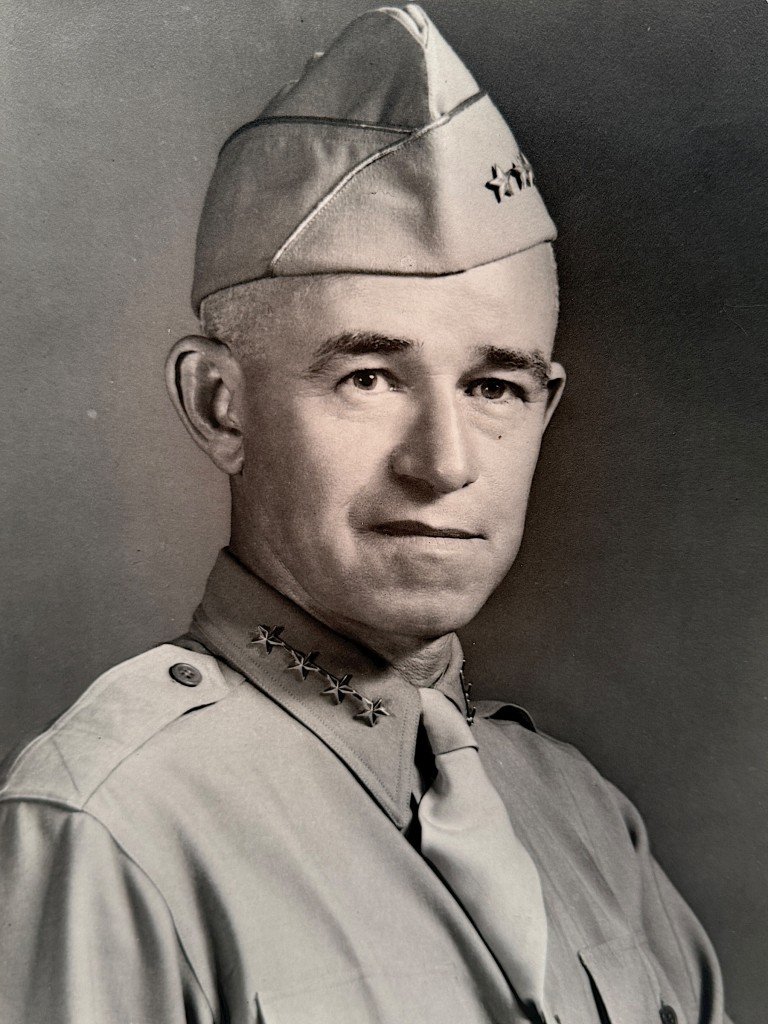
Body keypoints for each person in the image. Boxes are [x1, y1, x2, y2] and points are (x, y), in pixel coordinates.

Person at [0, 5, 732, 1023]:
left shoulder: (586, 819)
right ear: (222, 403)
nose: (443, 464)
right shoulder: (114, 826)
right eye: (370, 376)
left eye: (495, 387)